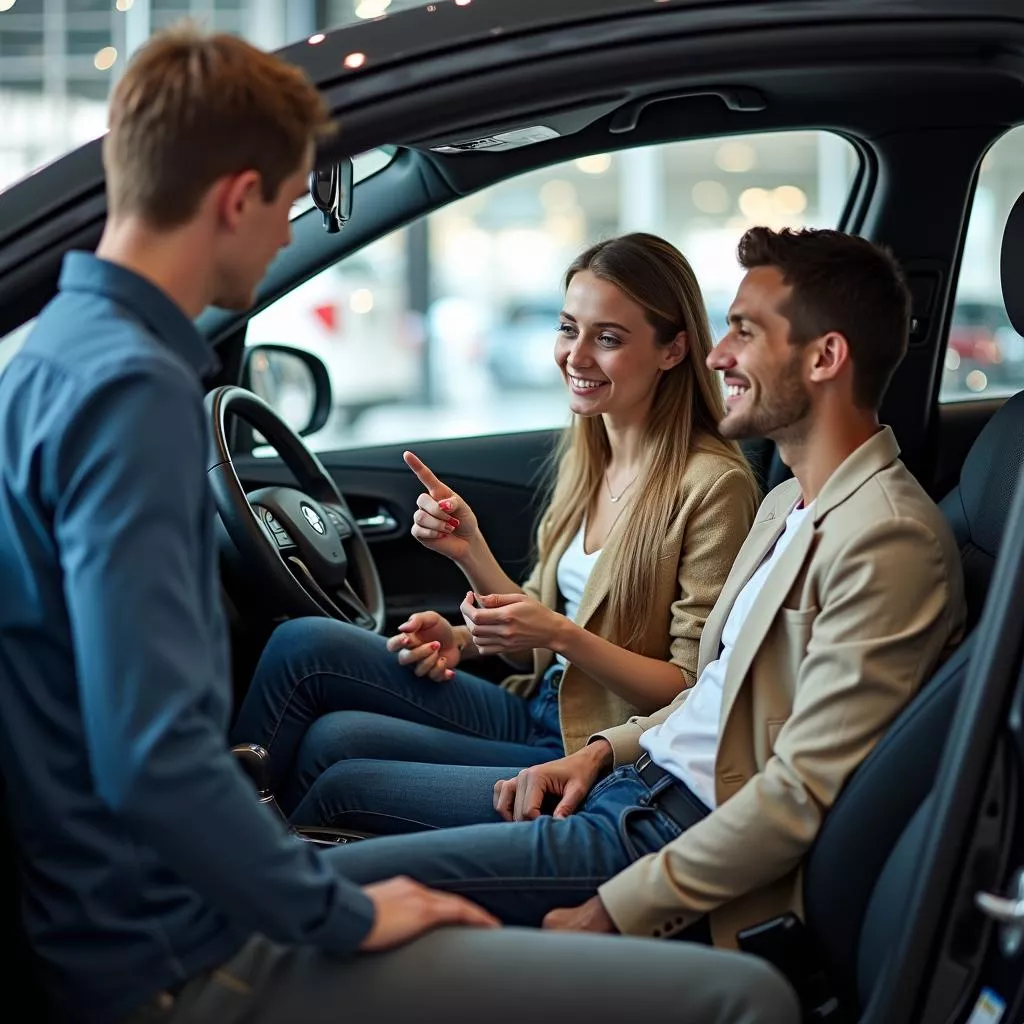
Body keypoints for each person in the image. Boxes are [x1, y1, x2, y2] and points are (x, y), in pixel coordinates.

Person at [0, 25, 801, 1024]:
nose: (291, 234)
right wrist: (327, 906)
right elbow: (152, 754)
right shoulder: (132, 391)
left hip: (151, 913)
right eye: (291, 205)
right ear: (237, 197)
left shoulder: (57, 356)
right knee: (746, 1000)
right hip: (174, 945)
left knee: (328, 730)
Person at [281, 225, 968, 950]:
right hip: (625, 782)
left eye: (743, 332)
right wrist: (601, 752)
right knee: (329, 789)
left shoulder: (887, 538)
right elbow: (713, 693)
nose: (717, 354)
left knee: (331, 881)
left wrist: (618, 908)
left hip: (657, 831)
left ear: (826, 357)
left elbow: (798, 793)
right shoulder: (787, 506)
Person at [230, 234, 760, 829]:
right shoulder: (593, 448)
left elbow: (689, 690)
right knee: (302, 645)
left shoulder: (714, 486)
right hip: (539, 700)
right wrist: (465, 608)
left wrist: (561, 636)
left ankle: (233, 861)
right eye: (568, 329)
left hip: (589, 746)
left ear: (673, 350)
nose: (576, 356)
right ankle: (221, 838)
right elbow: (538, 620)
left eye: (608, 338)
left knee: (337, 751)